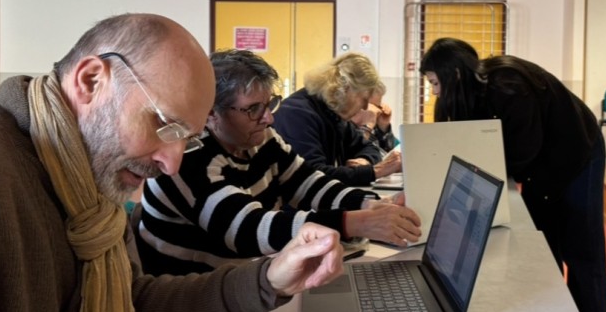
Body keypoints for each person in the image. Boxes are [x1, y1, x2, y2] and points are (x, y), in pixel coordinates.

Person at [0, 13, 344, 312]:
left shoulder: (87, 179)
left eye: (187, 138)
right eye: (163, 125)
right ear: (92, 81)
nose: (171, 163)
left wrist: (266, 280)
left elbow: (128, 308)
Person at [136, 49, 421, 275]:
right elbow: (246, 229)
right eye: (253, 109)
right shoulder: (188, 155)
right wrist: (355, 222)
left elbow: (309, 183)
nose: (269, 118)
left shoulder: (260, 139)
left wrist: (370, 205)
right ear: (211, 113)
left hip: (245, 281)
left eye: (269, 104)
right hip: (196, 296)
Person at [419, 37, 606, 312]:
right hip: (541, 164)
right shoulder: (464, 96)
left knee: (582, 253)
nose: (435, 92)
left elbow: (522, 155)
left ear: (455, 75)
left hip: (578, 153)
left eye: (436, 83)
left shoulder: (509, 85)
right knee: (543, 251)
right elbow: (458, 145)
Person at [272, 52, 402, 186]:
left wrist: (365, 160)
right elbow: (312, 176)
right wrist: (374, 171)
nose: (365, 107)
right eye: (364, 99)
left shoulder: (333, 113)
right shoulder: (296, 114)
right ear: (346, 89)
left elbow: (368, 147)